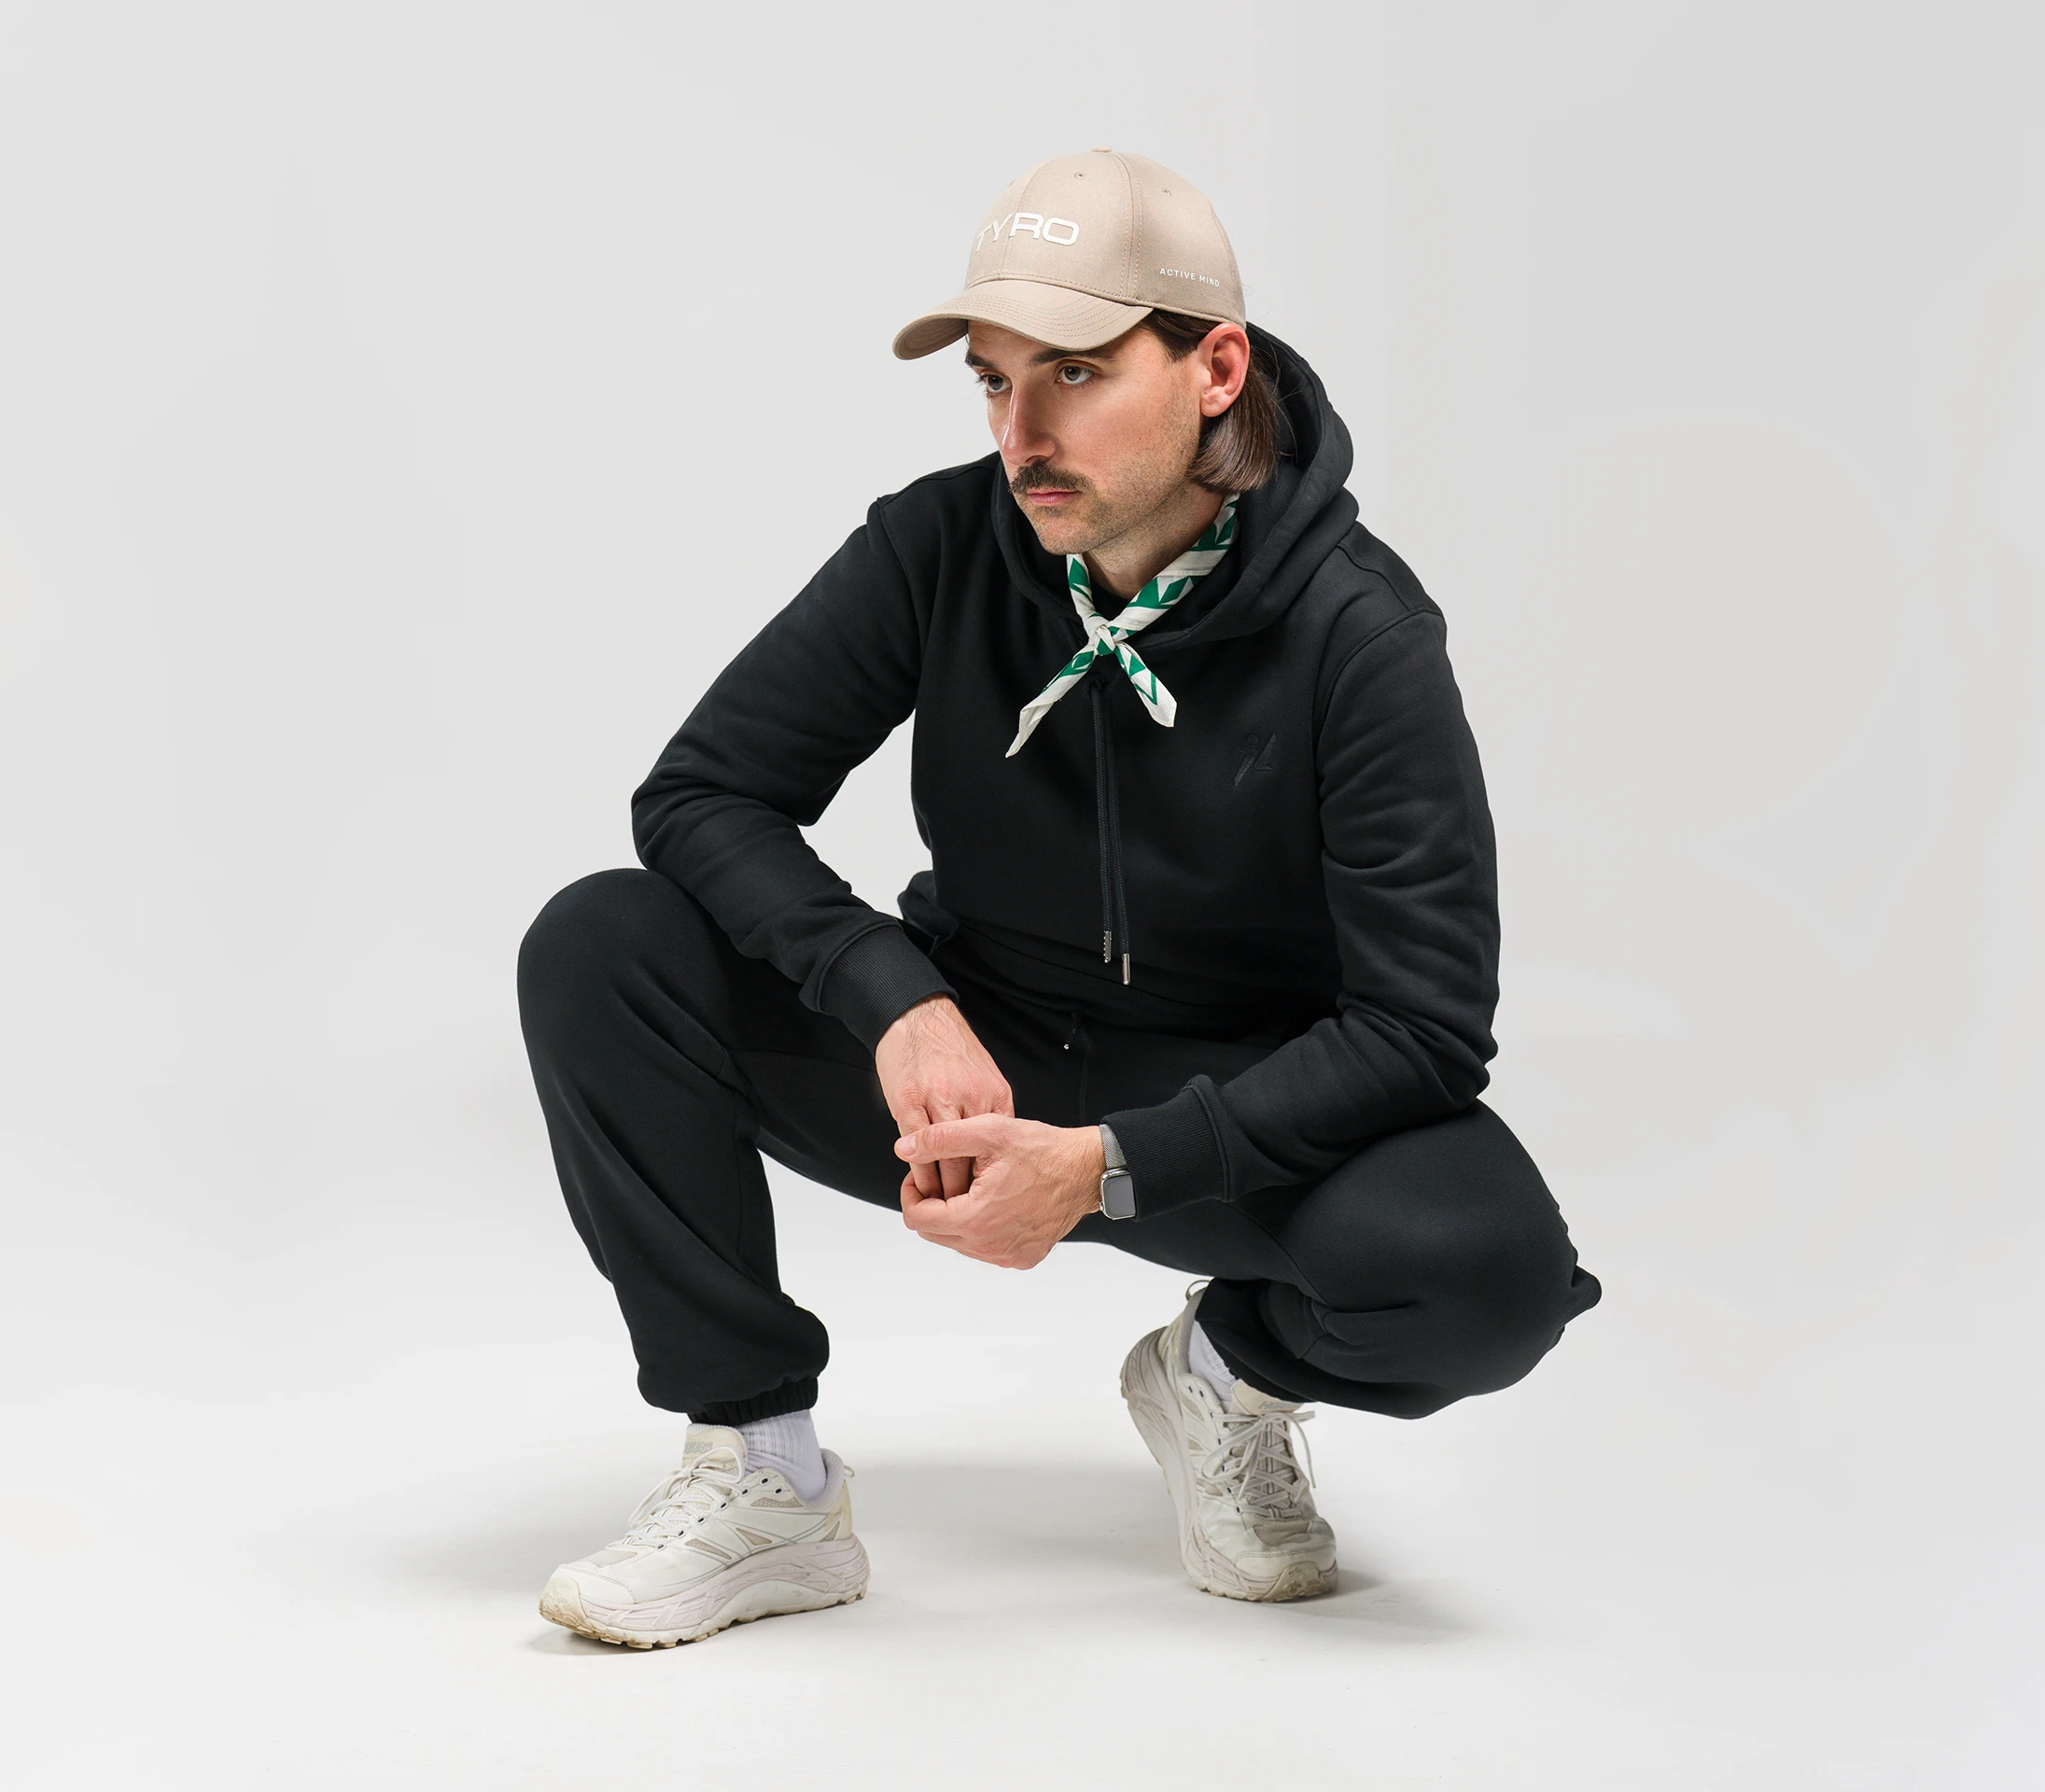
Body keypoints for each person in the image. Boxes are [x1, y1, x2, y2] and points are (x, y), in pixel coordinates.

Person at [517, 148, 1601, 1649]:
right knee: (600, 944)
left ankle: (1225, 1377)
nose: (1022, 433)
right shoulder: (942, 544)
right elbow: (701, 797)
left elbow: (1423, 1030)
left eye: (1077, 374)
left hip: (1229, 1107)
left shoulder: (1362, 634)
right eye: (992, 381)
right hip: (973, 1052)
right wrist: (892, 996)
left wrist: (1113, 1167)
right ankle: (760, 1471)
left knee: (1492, 1275)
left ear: (1215, 366)